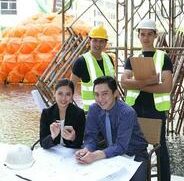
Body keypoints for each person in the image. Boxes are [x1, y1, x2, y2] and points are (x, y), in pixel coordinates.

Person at [121, 19, 173, 181]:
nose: (146, 38)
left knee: (160, 148)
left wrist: (137, 85)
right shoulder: (132, 59)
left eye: (149, 34)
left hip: (155, 109)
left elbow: (166, 87)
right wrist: (149, 82)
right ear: (138, 36)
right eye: (142, 34)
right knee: (136, 145)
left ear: (155, 36)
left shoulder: (163, 58)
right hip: (135, 109)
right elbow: (124, 82)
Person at [75, 76, 148, 181]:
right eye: (96, 94)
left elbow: (121, 146)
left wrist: (94, 155)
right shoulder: (94, 109)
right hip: (111, 151)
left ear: (115, 93)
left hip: (135, 154)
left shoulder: (127, 113)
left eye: (105, 94)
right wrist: (86, 150)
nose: (100, 99)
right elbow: (91, 137)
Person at [70, 25, 115, 112]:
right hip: (92, 113)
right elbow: (70, 88)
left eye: (101, 41)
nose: (98, 44)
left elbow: (114, 85)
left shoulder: (108, 59)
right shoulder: (81, 61)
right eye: (95, 40)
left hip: (111, 110)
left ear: (105, 43)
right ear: (89, 41)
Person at [40, 78, 86, 149]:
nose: (63, 98)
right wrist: (52, 136)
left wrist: (73, 138)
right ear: (54, 94)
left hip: (71, 154)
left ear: (72, 96)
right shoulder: (46, 113)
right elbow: (43, 143)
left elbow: (79, 143)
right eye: (60, 93)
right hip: (52, 153)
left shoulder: (79, 113)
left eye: (68, 94)